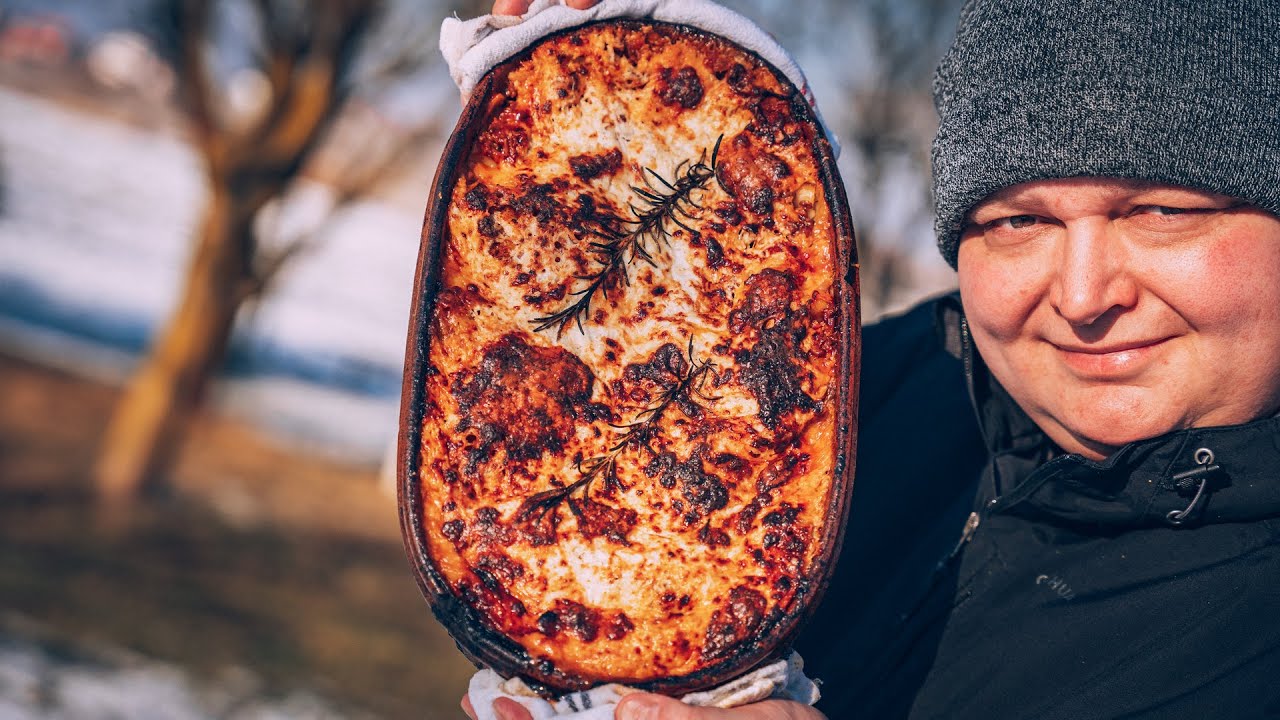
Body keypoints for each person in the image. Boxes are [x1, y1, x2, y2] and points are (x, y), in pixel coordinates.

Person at [467, 0, 1280, 718]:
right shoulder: (884, 387)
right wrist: (562, 160)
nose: (1080, 296)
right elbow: (572, 501)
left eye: (1165, 210)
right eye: (1015, 222)